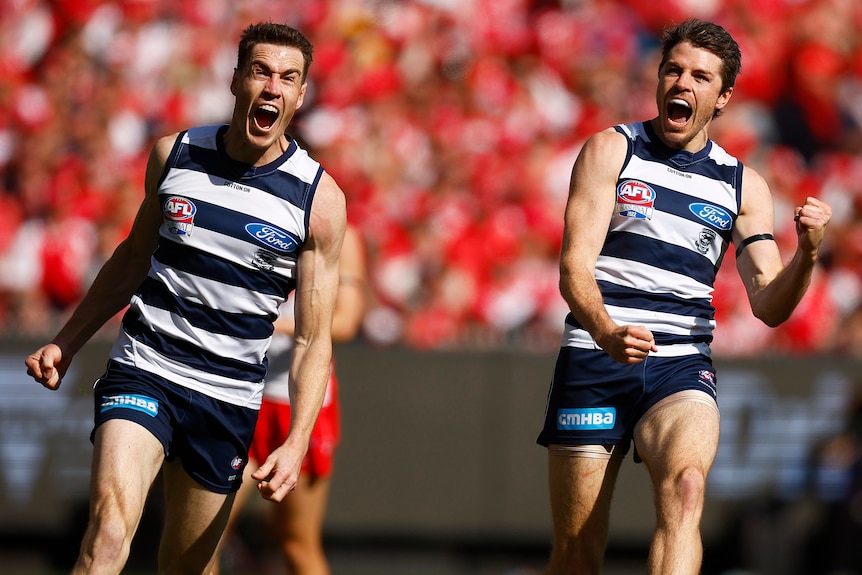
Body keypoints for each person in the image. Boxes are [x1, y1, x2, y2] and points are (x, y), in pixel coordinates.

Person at [24, 22, 347, 575]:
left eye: (288, 78)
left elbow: (316, 337)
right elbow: (131, 259)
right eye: (261, 71)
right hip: (146, 369)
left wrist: (295, 441)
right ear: (236, 79)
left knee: (187, 566)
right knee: (108, 533)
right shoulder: (175, 155)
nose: (273, 87)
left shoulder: (319, 201)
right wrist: (67, 341)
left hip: (227, 399)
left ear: (299, 95)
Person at [536, 18, 832, 575]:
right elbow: (573, 268)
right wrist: (606, 331)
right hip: (595, 357)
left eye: (700, 76)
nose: (682, 83)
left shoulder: (743, 186)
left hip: (680, 364)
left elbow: (769, 303)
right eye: (673, 69)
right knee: (576, 552)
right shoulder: (611, 150)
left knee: (687, 490)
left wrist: (809, 253)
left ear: (722, 98)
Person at [215, 223, 367, 575]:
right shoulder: (256, 213)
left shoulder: (343, 233)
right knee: (206, 532)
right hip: (241, 395)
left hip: (298, 404)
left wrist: (271, 323)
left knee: (296, 541)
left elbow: (345, 323)